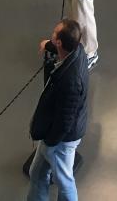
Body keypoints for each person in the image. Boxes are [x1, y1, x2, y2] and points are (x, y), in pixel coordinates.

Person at [26, 19, 89, 201]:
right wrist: (49, 46)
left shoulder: (70, 82)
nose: (51, 35)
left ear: (60, 42)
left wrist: (50, 142)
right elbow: (63, 51)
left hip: (61, 140)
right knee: (37, 173)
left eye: (54, 35)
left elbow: (65, 122)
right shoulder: (77, 50)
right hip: (54, 135)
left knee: (64, 181)